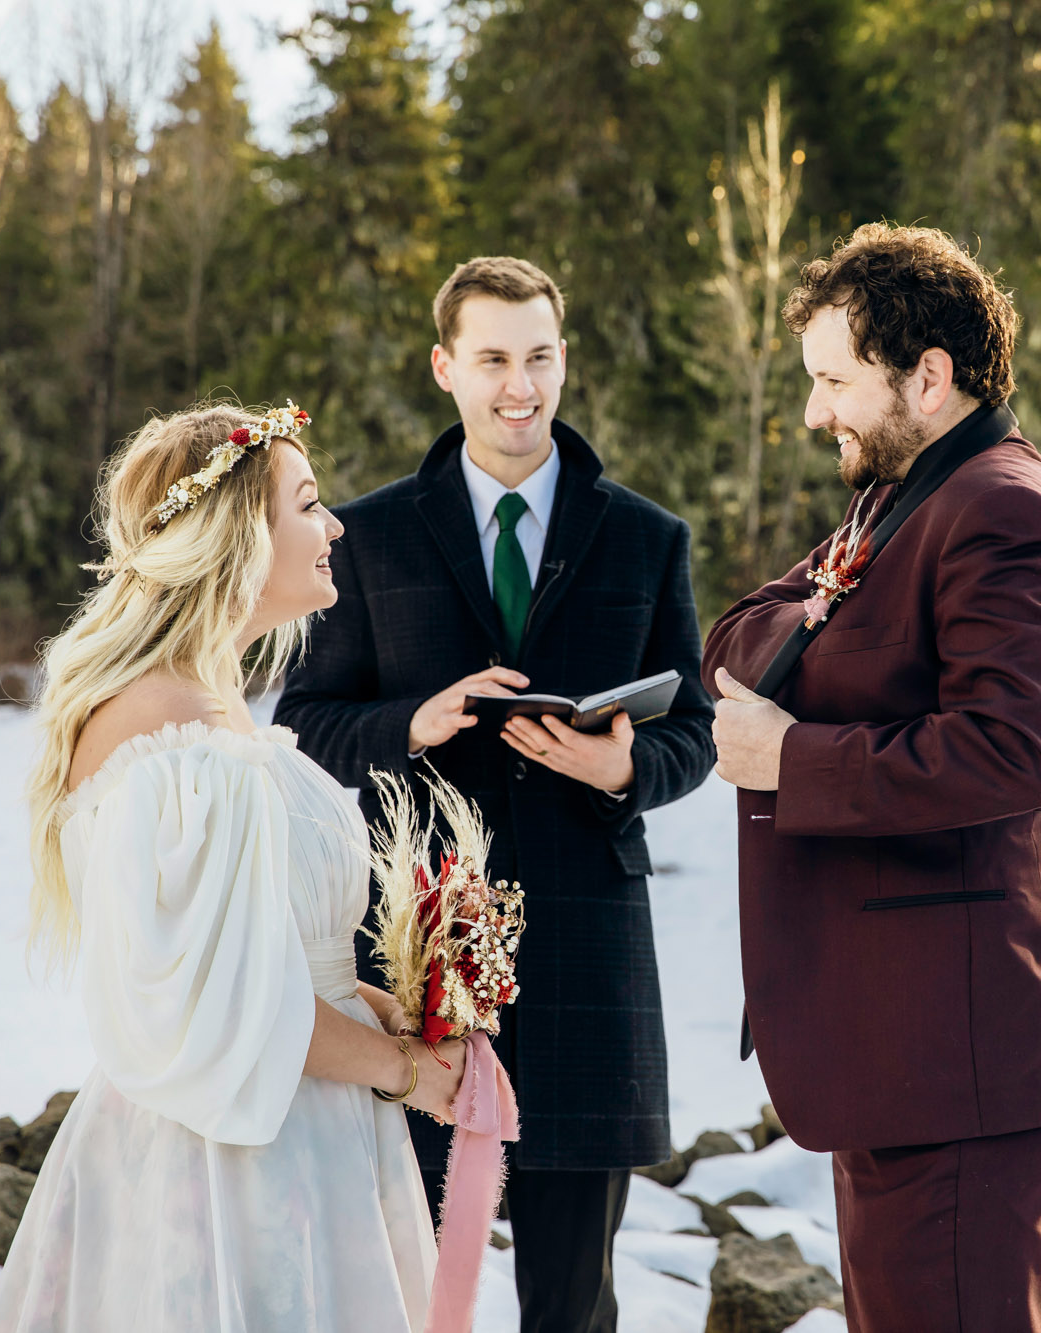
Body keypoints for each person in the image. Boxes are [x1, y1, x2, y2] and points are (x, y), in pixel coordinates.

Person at [276, 257, 716, 1333]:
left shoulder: (645, 539)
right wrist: (408, 724)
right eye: (491, 360)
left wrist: (625, 768)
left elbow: (694, 733)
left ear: (562, 360)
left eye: (538, 357)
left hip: (586, 958)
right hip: (422, 961)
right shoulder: (368, 538)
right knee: (416, 1288)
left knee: (572, 1304)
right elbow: (302, 728)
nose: (518, 385)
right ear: (445, 368)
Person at [702, 223, 1041, 1331]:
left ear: (927, 378)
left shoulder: (999, 507)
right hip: (899, 1059)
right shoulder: (892, 499)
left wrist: (791, 754)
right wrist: (796, 661)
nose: (813, 413)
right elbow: (733, 637)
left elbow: (1015, 749)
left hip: (959, 1070)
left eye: (833, 381)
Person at [0, 401, 458, 1332]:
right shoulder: (171, 730)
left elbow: (251, 948)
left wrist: (372, 1001)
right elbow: (225, 1003)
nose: (335, 527)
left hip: (308, 1128)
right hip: (230, 1164)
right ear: (235, 533)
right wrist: (405, 1073)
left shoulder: (217, 707)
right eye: (309, 505)